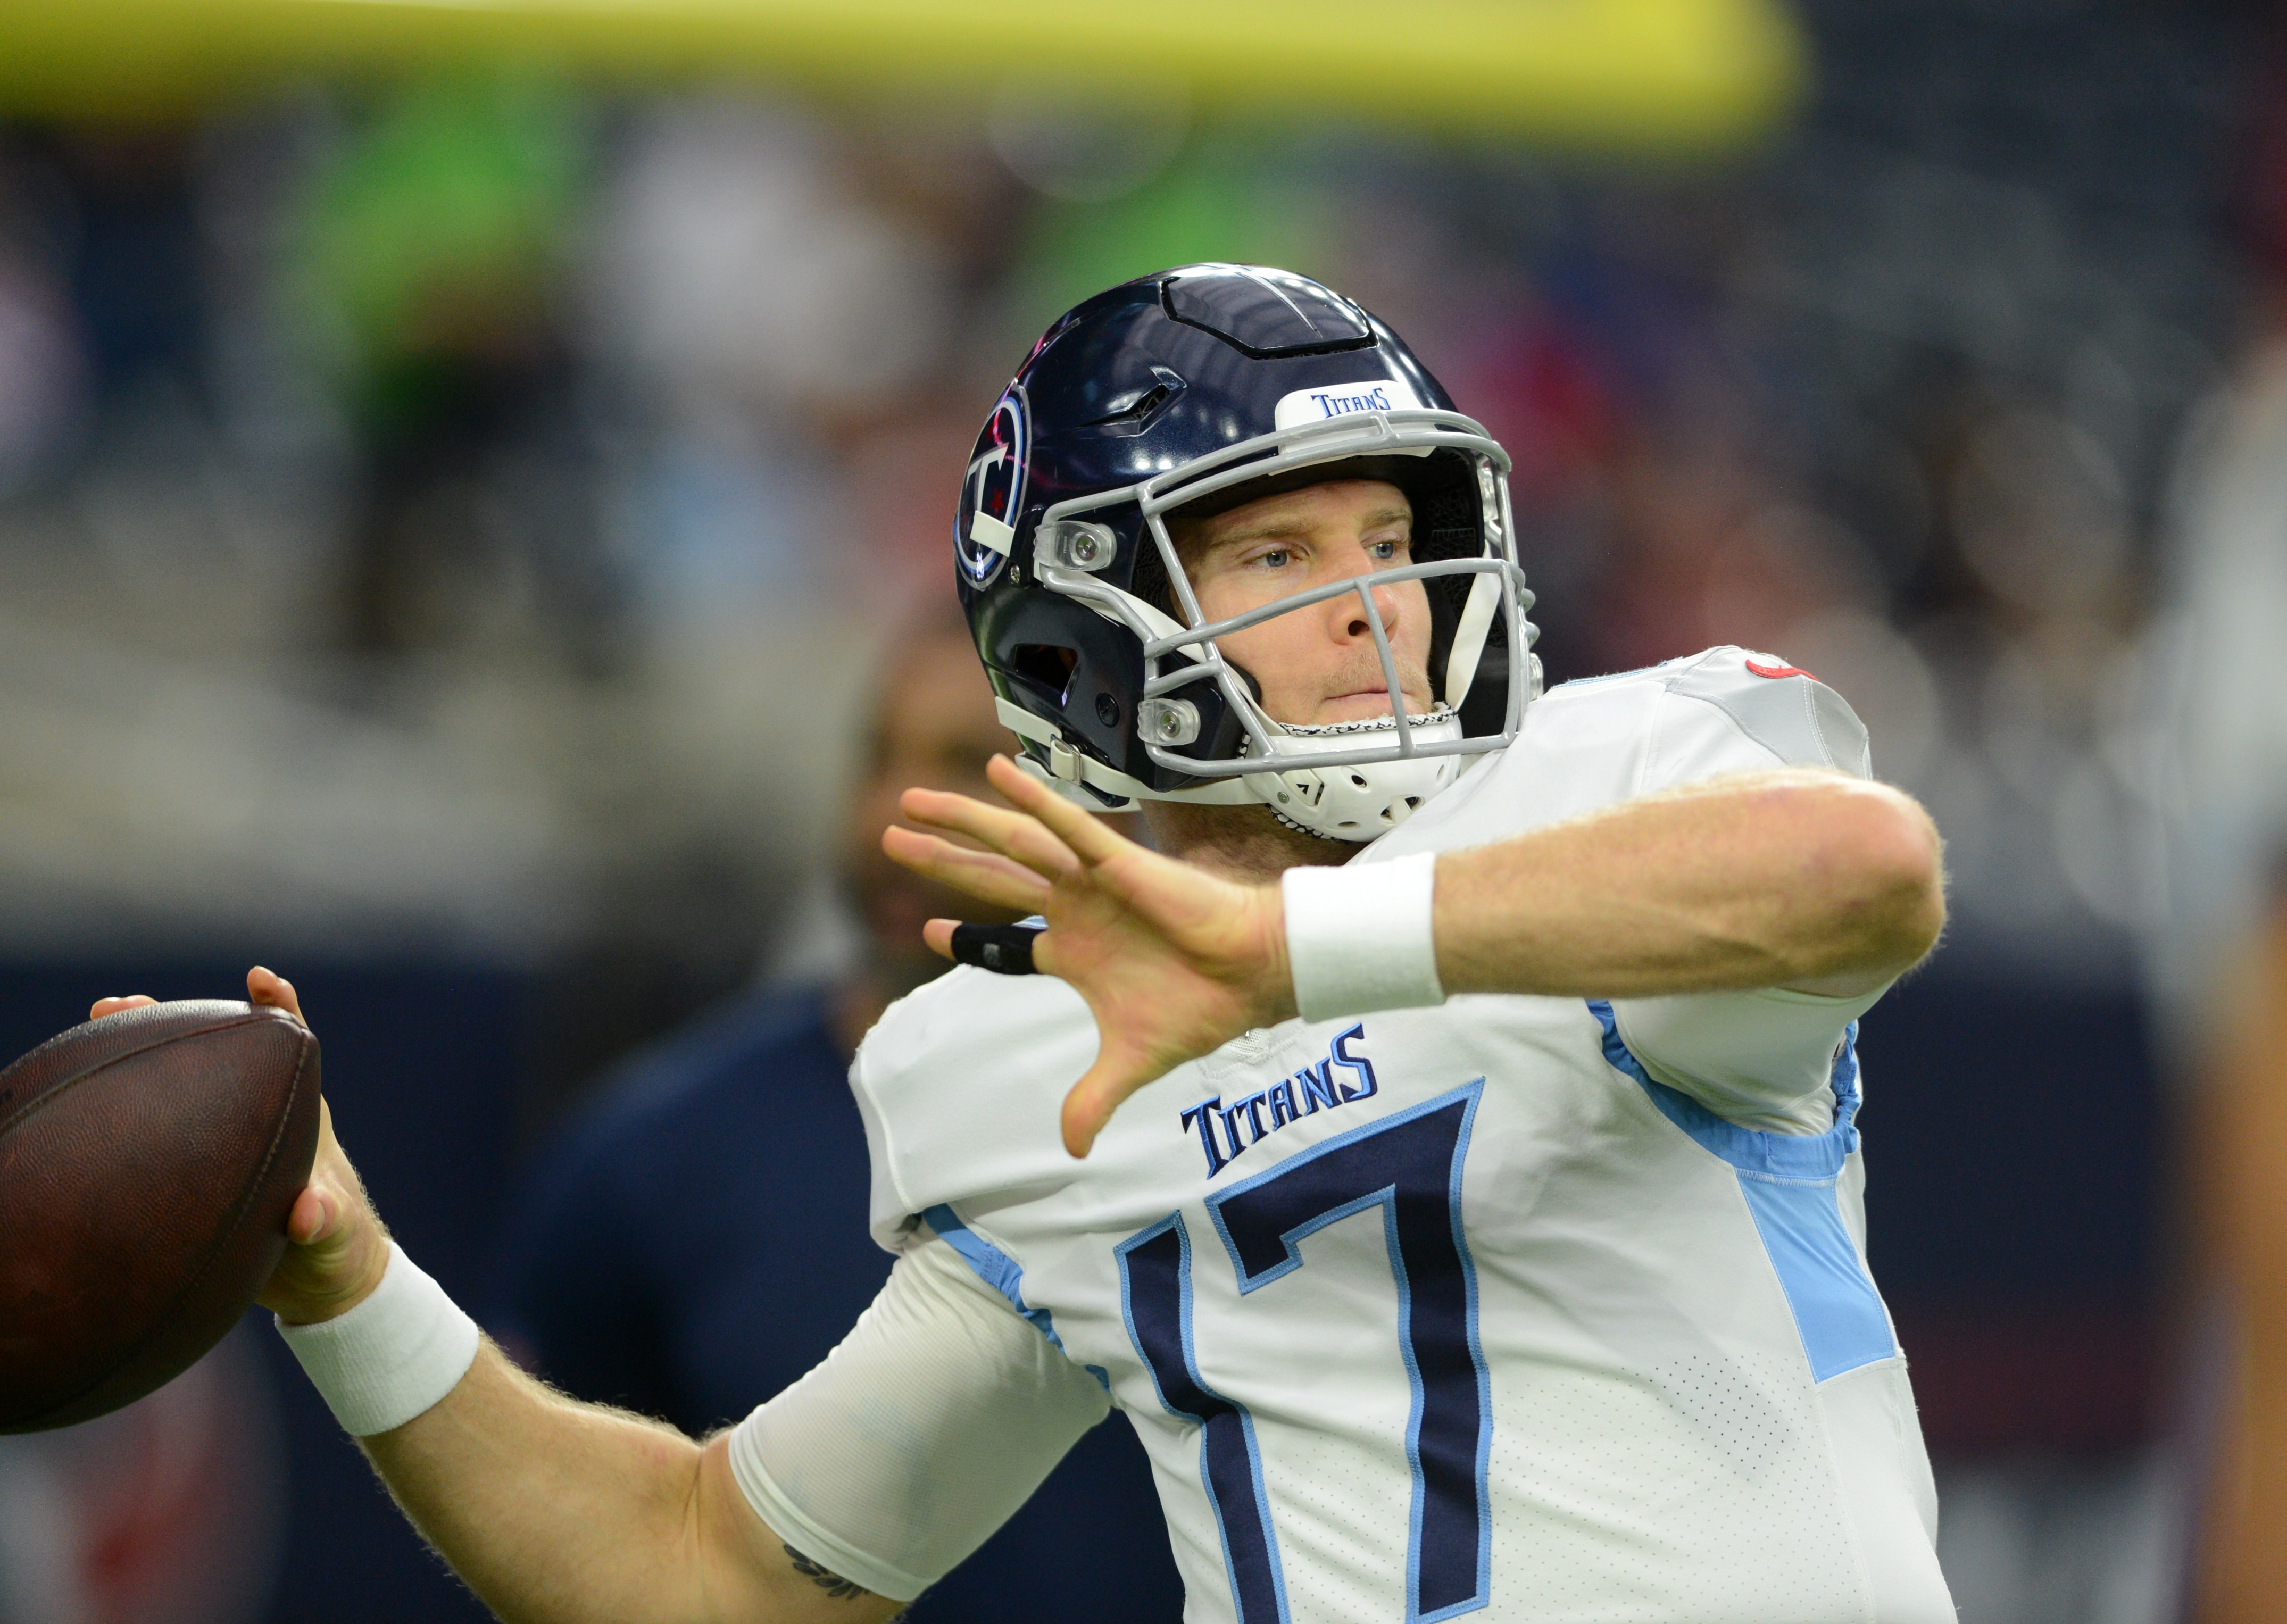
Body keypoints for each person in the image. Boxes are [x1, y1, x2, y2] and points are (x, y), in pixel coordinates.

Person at [101, 264, 1951, 1623]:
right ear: (1089, 628)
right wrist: (345, 1283)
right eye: (1280, 554)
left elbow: (1861, 873)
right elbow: (709, 1570)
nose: (1379, 603)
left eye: (1395, 532)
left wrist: (1300, 949)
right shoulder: (1021, 1048)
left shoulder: (1609, 783)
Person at [484, 606, 1183, 1619]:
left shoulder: (1227, 1124)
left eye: (970, 765)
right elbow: (552, 1535)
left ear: (1111, 810)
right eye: (875, 758)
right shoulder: (648, 1158)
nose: (887, 821)